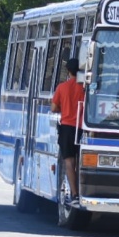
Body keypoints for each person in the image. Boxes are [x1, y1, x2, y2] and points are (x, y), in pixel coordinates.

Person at [51, 57, 85, 201]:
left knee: (69, 162)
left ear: (68, 71)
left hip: (66, 128)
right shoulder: (85, 87)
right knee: (80, 161)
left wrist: (63, 108)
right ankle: (83, 190)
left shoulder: (61, 87)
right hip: (83, 128)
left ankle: (74, 193)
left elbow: (53, 108)